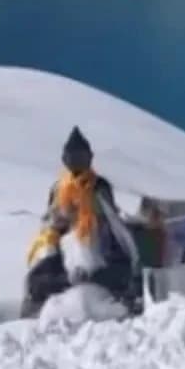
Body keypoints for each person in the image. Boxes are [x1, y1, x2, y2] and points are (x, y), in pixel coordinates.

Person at [22, 126, 141, 318]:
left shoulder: (98, 188)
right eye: (72, 157)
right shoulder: (59, 188)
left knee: (116, 273)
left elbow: (115, 224)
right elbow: (51, 222)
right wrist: (51, 243)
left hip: (99, 246)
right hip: (65, 250)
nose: (76, 162)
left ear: (89, 158)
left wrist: (132, 258)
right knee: (36, 278)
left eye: (80, 156)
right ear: (65, 160)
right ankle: (34, 316)